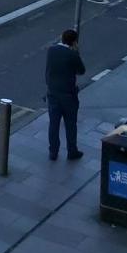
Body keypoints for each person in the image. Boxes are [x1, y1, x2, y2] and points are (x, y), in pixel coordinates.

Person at [45, 28, 86, 161]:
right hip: (69, 95)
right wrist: (76, 52)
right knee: (70, 125)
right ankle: (72, 151)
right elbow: (81, 71)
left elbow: (49, 70)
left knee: (54, 124)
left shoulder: (51, 50)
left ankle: (53, 152)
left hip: (53, 94)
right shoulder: (72, 54)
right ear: (74, 42)